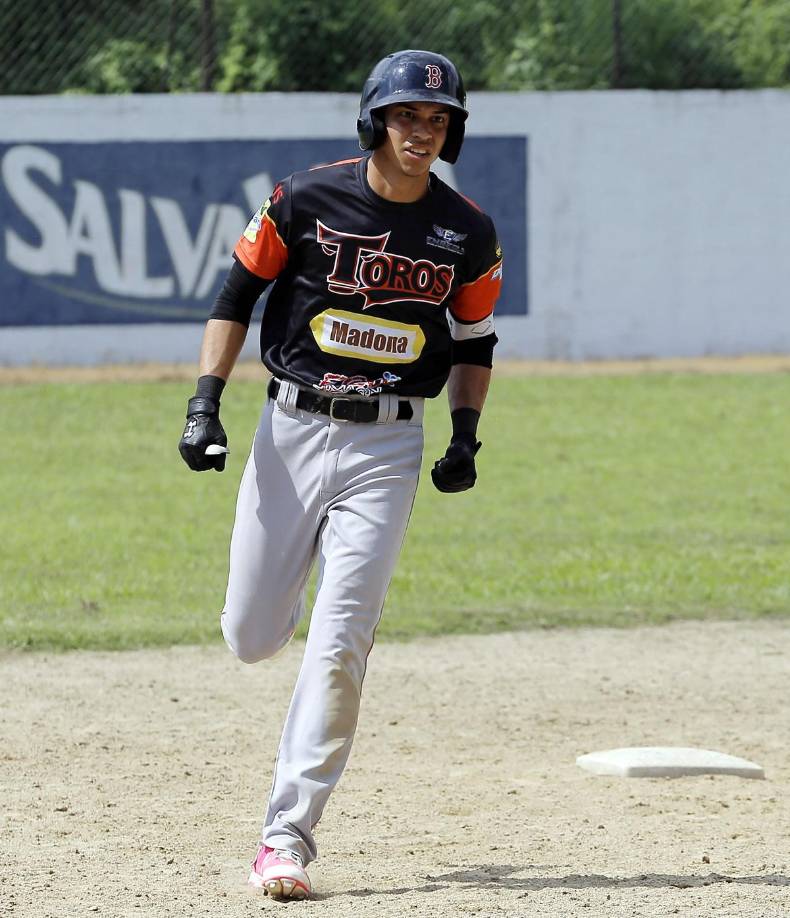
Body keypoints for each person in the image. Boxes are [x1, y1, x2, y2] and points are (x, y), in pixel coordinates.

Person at [178, 48, 502, 900]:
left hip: (388, 446)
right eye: (406, 116)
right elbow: (233, 296)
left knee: (341, 641)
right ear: (375, 121)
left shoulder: (465, 231)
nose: (421, 132)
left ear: (452, 130)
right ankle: (274, 603)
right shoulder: (305, 197)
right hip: (289, 427)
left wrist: (465, 434)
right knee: (252, 636)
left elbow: (473, 343)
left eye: (437, 120)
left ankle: (285, 837)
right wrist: (203, 404)